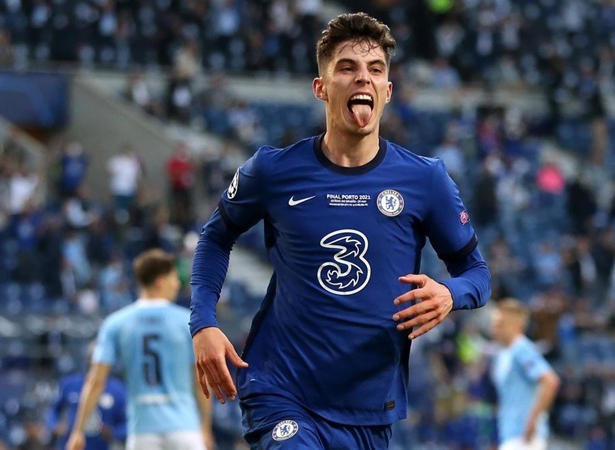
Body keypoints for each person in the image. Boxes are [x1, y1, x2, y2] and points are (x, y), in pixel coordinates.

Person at [190, 12, 491, 449]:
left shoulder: (425, 180)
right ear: (321, 87)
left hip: (368, 407)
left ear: (387, 90)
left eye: (375, 70)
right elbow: (215, 237)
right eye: (347, 67)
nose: (363, 78)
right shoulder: (273, 170)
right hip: (281, 390)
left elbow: (477, 273)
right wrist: (203, 322)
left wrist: (450, 293)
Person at [66, 249, 213, 450]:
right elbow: (200, 380)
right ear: (160, 282)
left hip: (142, 432)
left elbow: (95, 381)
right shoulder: (187, 322)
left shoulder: (116, 323)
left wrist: (78, 430)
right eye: (173, 279)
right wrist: (205, 427)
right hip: (185, 430)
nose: (177, 284)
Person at [489, 299, 560, 450]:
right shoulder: (503, 354)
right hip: (509, 434)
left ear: (515, 326)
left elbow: (550, 381)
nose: (494, 330)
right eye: (494, 324)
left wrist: (533, 420)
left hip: (525, 438)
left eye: (500, 324)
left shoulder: (522, 349)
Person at [47, 342, 127, 450]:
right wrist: (55, 425)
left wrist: (113, 433)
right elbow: (53, 410)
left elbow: (128, 424)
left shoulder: (118, 390)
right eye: (91, 358)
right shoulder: (70, 384)